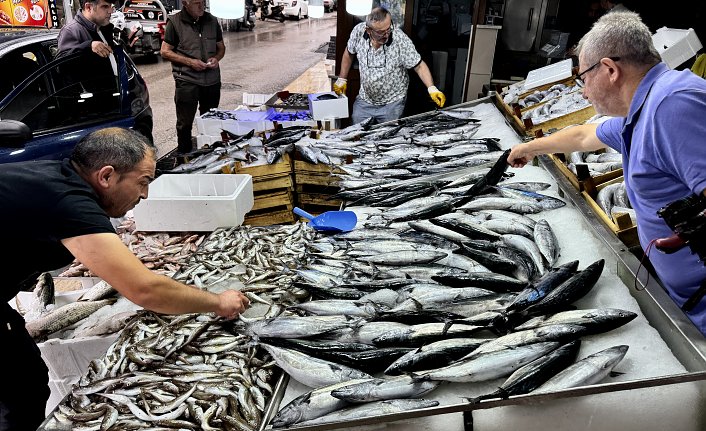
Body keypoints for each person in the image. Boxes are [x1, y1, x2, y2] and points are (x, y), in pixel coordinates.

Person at [0, 127, 250, 431]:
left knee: (25, 379)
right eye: (142, 182)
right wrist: (218, 302)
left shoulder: (56, 178)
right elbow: (145, 289)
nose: (145, 195)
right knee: (20, 388)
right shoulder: (67, 202)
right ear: (106, 176)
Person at [507, 11, 706, 335]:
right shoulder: (642, 110)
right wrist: (529, 148)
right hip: (688, 300)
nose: (583, 92)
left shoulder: (672, 105)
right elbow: (584, 136)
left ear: (610, 70)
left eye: (583, 77)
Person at [333, 7, 446, 125]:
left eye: (388, 28)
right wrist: (342, 78)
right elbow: (349, 53)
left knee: (387, 139)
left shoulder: (400, 39)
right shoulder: (359, 32)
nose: (387, 34)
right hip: (365, 100)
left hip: (393, 103)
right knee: (357, 133)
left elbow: (419, 65)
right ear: (368, 30)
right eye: (381, 32)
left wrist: (431, 88)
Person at [160, 0, 225, 154]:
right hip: (187, 80)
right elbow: (165, 51)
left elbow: (221, 47)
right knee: (185, 123)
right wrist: (190, 62)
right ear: (185, 3)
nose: (201, 6)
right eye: (197, 3)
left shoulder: (212, 20)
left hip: (212, 80)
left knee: (210, 119)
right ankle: (184, 155)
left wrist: (217, 58)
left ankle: (210, 153)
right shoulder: (175, 22)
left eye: (203, 2)